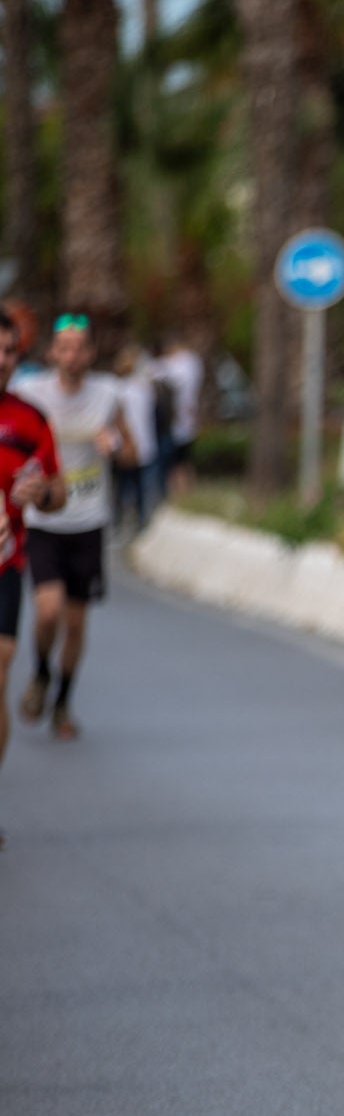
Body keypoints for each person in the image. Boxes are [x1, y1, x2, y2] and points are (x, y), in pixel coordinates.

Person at [12, 312, 135, 741]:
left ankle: (63, 700)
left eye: (80, 346)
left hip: (88, 520)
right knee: (48, 611)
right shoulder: (30, 392)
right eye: (64, 347)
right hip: (45, 519)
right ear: (51, 353)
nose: (72, 355)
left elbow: (132, 451)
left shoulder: (108, 394)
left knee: (77, 622)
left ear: (91, 352)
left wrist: (113, 445)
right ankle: (42, 672)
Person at [0, 305, 66, 787]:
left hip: (6, 564)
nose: (1, 360)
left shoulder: (30, 420)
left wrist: (42, 492)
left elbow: (58, 493)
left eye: (8, 351)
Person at [109, 342, 159, 538]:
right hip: (141, 442)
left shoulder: (120, 389)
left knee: (122, 485)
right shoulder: (144, 389)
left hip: (126, 443)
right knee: (138, 485)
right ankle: (137, 519)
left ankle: (120, 520)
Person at [155, 330, 204, 498]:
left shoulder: (183, 363)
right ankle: (187, 492)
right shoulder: (192, 362)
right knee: (184, 459)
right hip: (186, 418)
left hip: (178, 420)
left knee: (177, 461)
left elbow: (161, 372)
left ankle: (181, 493)